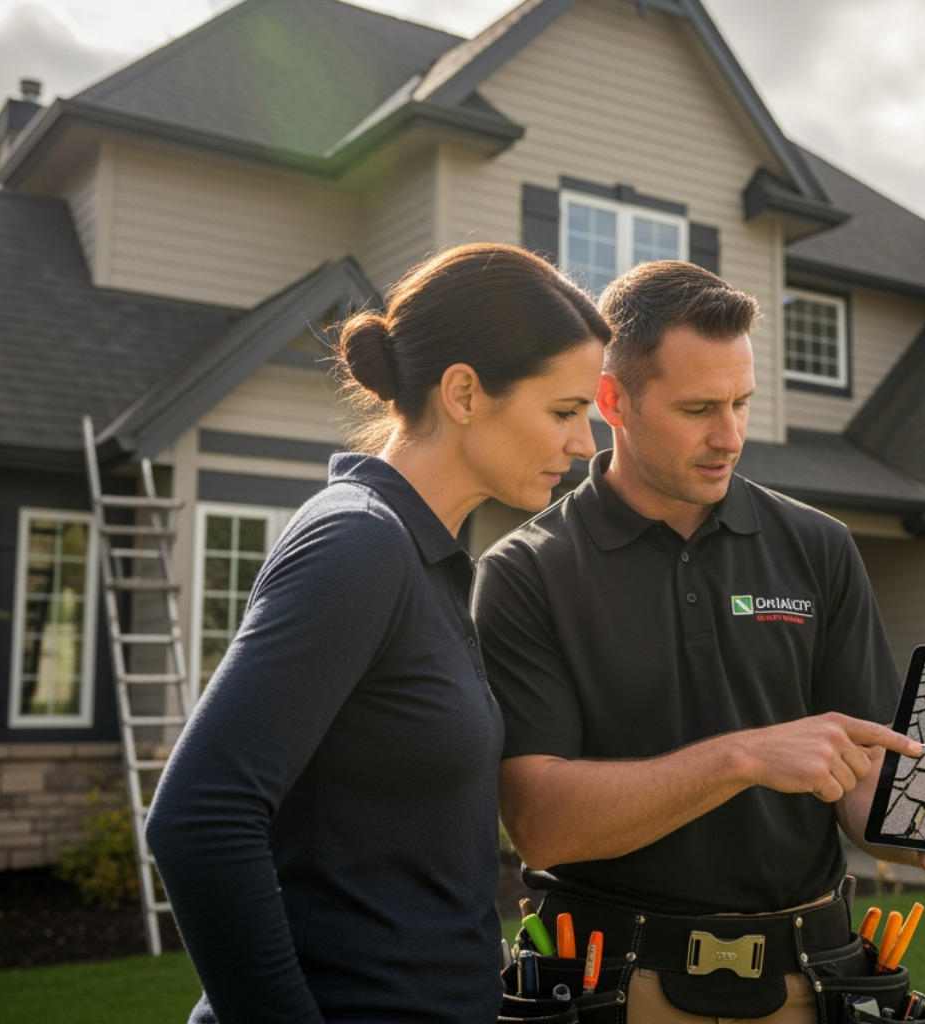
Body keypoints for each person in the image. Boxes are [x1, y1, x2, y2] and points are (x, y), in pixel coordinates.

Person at [473, 260, 925, 1023]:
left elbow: (863, 774)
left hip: (810, 983)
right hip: (616, 987)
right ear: (615, 400)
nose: (730, 435)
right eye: (699, 407)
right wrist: (742, 758)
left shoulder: (821, 547)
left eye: (741, 402)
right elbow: (542, 825)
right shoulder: (526, 572)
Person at [145, 243, 610, 1024]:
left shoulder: (426, 556)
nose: (585, 444)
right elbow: (200, 816)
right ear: (463, 392)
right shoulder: (359, 544)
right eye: (564, 411)